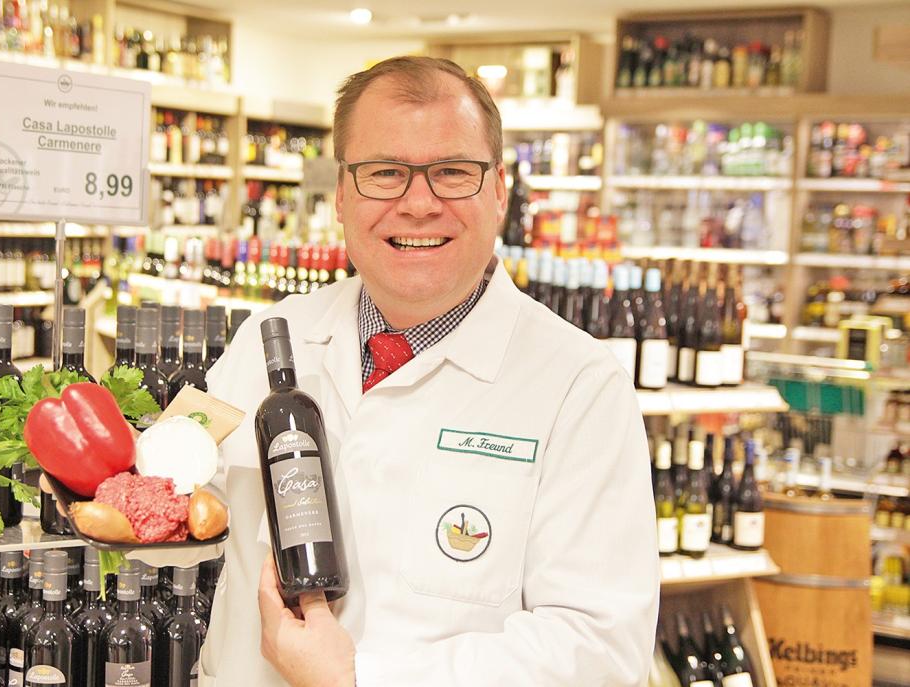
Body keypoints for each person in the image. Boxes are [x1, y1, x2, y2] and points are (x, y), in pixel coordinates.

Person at [50, 55, 656, 686]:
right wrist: (86, 473)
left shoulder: (580, 387)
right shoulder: (266, 338)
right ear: (340, 194)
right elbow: (173, 485)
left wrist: (361, 678)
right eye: (385, 173)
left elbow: (601, 652)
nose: (419, 203)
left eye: (452, 172)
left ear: (499, 190)